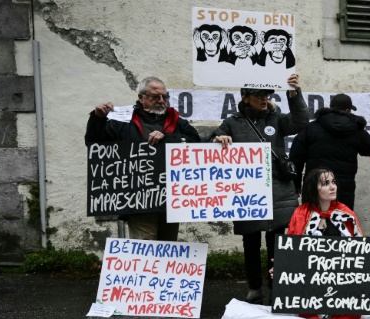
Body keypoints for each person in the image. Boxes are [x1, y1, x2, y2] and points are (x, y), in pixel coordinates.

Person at [208, 73, 308, 304]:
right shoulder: (232, 123)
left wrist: (294, 94)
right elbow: (208, 143)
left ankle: (277, 288)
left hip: (279, 193)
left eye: (267, 95)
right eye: (259, 95)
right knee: (250, 243)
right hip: (247, 196)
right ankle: (254, 288)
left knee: (277, 244)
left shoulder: (277, 119)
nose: (264, 98)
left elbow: (301, 122)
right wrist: (217, 140)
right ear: (245, 98)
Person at [85, 76, 201, 241]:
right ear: (141, 97)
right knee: (145, 249)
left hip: (171, 199)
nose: (161, 100)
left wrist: (166, 137)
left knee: (168, 248)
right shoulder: (122, 120)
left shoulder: (177, 121)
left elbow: (196, 143)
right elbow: (95, 145)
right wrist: (98, 118)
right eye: (155, 97)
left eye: (164, 97)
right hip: (138, 201)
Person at [284, 167, 364, 319]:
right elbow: (291, 249)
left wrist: (369, 269)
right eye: (325, 183)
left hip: (341, 283)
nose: (332, 186)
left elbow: (360, 250)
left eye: (333, 182)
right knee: (311, 317)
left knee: (347, 316)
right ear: (314, 188)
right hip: (310, 285)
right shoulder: (301, 213)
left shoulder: (347, 214)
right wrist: (282, 266)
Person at [289, 93, 370, 209]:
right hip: (343, 189)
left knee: (313, 222)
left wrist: (296, 185)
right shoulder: (356, 130)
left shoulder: (311, 128)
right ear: (348, 110)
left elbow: (296, 158)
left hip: (315, 186)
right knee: (341, 223)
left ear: (331, 107)